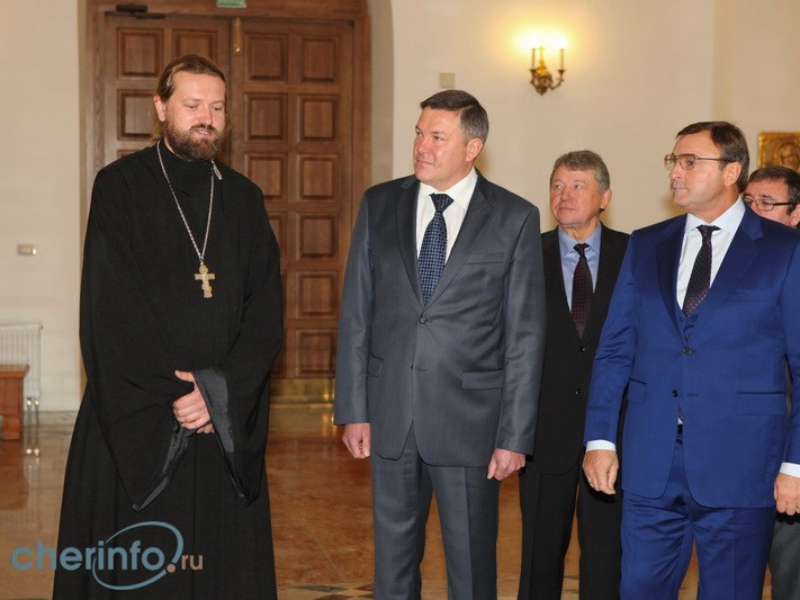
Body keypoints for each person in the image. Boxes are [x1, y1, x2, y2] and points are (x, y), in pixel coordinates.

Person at [54, 54, 283, 598]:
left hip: (218, 422)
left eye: (217, 108)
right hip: (141, 417)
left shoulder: (244, 199)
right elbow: (109, 312)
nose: (207, 118)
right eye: (193, 105)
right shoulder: (120, 187)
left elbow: (266, 312)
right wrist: (180, 396)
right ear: (161, 108)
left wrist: (218, 393)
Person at [334, 89, 546, 599]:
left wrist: (514, 435)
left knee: (471, 568)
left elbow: (524, 335)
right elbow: (357, 313)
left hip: (470, 423)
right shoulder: (379, 203)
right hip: (391, 416)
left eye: (437, 137)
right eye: (419, 133)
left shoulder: (514, 217)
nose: (421, 147)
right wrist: (353, 409)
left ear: (472, 148)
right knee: (392, 568)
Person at [582, 121, 800, 599]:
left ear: (731, 172)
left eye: (689, 162)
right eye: (673, 161)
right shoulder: (647, 244)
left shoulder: (784, 250)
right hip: (651, 459)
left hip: (742, 462)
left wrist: (796, 465)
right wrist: (600, 439)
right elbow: (615, 349)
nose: (675, 173)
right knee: (639, 588)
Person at [518, 150, 628, 600]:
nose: (564, 195)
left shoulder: (635, 254)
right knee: (538, 556)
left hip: (616, 431)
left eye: (578, 186)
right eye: (558, 185)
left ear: (604, 197)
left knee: (606, 556)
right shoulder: (526, 253)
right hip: (544, 430)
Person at [743, 166, 800, 600]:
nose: (753, 211)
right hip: (737, 456)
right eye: (747, 202)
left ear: (796, 214)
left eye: (766, 203)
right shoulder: (723, 263)